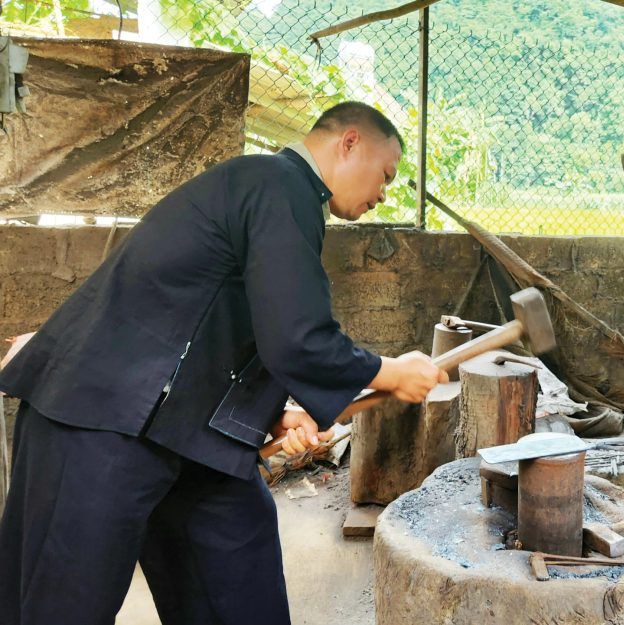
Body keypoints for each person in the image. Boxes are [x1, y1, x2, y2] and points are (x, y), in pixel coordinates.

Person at [0, 101, 447, 625]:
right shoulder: (279, 185)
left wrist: (271, 412)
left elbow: (227, 326)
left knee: (236, 571)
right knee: (63, 599)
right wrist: (391, 372)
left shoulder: (276, 196)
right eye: (386, 175)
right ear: (349, 142)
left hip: (183, 432)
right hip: (99, 418)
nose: (383, 194)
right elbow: (297, 336)